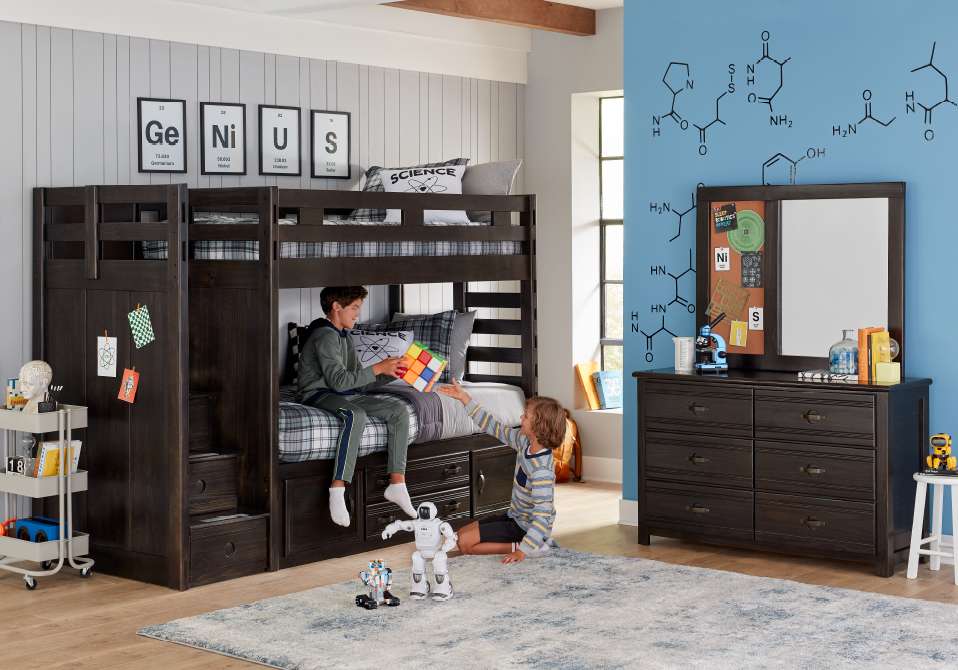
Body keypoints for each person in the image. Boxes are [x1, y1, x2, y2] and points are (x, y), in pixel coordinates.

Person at [298, 286, 416, 527]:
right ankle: (338, 488)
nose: (357, 315)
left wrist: (391, 372)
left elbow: (356, 383)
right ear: (336, 307)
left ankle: (397, 483)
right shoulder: (324, 335)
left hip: (344, 393)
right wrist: (377, 368)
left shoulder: (343, 335)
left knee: (398, 411)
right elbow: (338, 382)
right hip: (318, 394)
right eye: (354, 308)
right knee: (355, 414)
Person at [438, 381, 565, 563]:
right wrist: (465, 399)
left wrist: (522, 552)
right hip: (513, 517)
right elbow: (493, 426)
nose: (521, 417)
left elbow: (542, 517)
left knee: (466, 544)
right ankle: (527, 543)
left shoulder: (541, 471)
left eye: (526, 417)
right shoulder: (524, 442)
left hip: (526, 529)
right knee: (460, 535)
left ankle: (532, 546)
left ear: (539, 427)